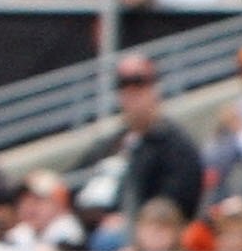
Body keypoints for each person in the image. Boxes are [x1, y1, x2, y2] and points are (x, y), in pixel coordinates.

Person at [74, 51, 205, 232]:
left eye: (139, 85)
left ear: (155, 89)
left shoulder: (175, 146)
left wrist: (131, 223)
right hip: (88, 227)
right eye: (123, 86)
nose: (131, 94)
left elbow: (176, 205)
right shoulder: (110, 144)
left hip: (140, 237)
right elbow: (73, 184)